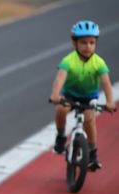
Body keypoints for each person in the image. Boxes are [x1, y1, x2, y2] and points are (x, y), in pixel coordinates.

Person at [50, 20, 116, 171]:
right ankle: (60, 137)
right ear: (74, 43)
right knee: (61, 109)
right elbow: (60, 78)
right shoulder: (68, 60)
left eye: (92, 43)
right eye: (83, 43)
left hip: (89, 97)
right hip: (70, 96)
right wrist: (55, 94)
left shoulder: (98, 62)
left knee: (89, 119)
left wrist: (110, 101)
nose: (88, 47)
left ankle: (92, 153)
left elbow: (106, 83)